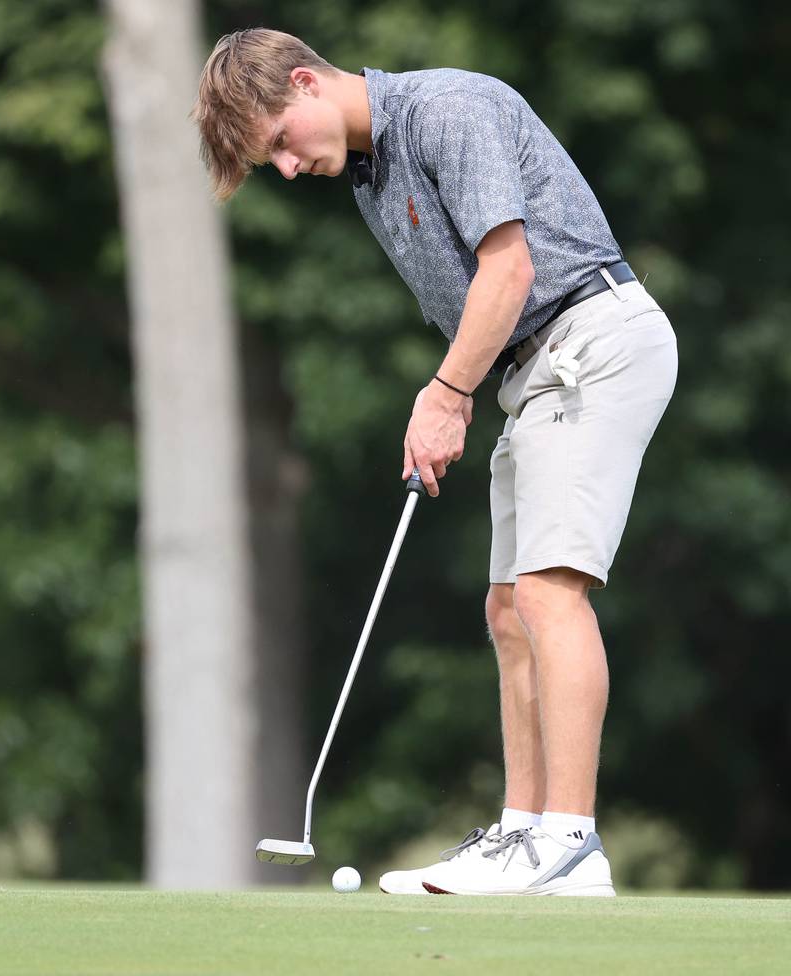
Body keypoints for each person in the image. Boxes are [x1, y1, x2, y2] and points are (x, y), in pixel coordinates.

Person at [193, 28, 678, 896]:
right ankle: (523, 832)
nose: (290, 170)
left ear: (305, 82)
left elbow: (510, 266)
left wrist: (446, 395)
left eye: (278, 144)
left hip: (592, 341)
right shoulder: (370, 175)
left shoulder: (448, 109)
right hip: (531, 372)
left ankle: (569, 844)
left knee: (547, 590)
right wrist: (458, 393)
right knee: (506, 608)